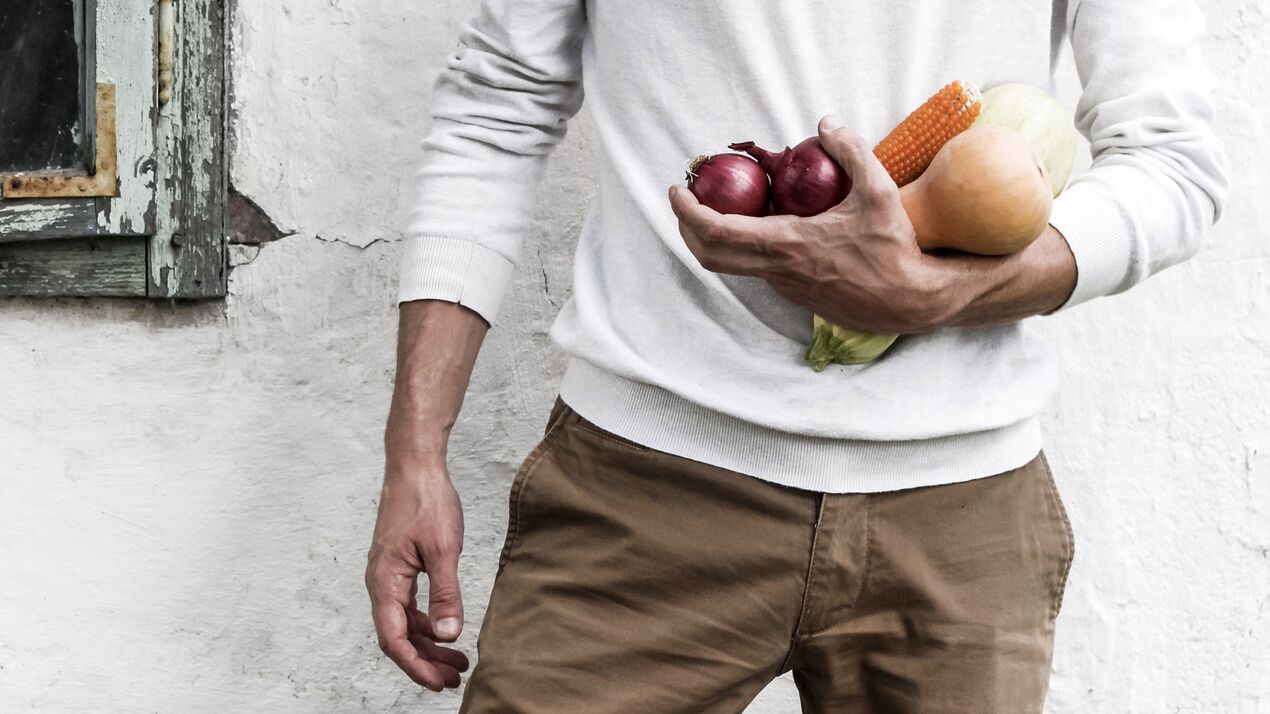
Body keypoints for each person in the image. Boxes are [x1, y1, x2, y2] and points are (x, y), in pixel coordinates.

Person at [366, 1, 1229, 711]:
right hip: (644, 490)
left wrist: (945, 292)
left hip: (962, 523)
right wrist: (414, 451)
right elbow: (497, 108)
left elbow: (1171, 162)